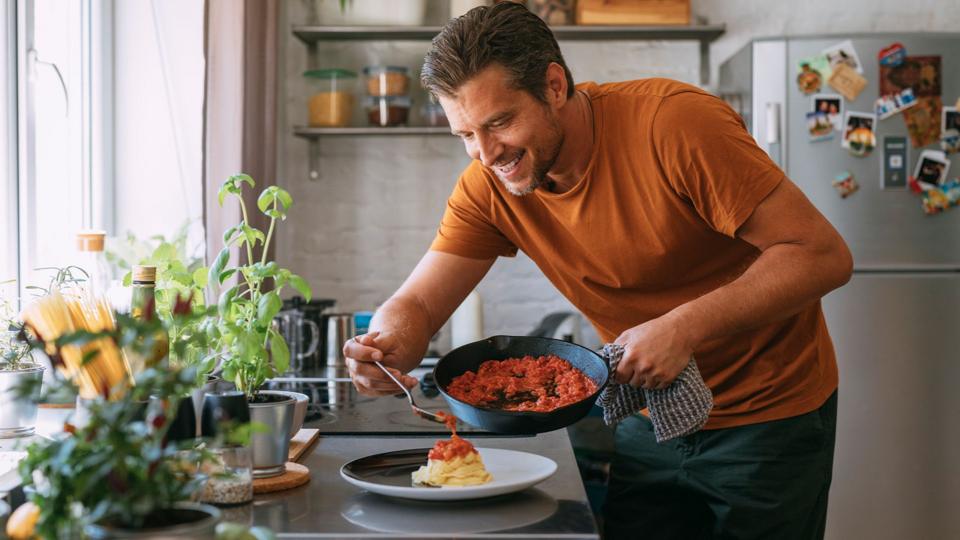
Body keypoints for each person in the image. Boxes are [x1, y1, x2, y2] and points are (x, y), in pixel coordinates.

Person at [343, 3, 852, 539]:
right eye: (465, 134)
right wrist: (389, 344)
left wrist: (683, 326)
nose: (486, 153)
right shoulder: (486, 184)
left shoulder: (675, 125)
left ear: (555, 85)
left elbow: (820, 254)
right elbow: (419, 304)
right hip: (647, 419)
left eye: (499, 122)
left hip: (768, 418)